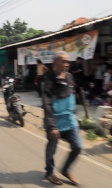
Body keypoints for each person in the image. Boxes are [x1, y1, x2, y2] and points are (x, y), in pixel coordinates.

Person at [42, 51, 82, 186]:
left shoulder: (69, 76)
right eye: (63, 61)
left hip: (70, 120)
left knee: (78, 147)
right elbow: (46, 102)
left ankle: (65, 170)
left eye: (67, 62)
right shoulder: (48, 78)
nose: (66, 64)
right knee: (52, 149)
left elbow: (71, 95)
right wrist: (52, 126)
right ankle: (49, 172)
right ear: (55, 63)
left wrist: (76, 117)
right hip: (55, 121)